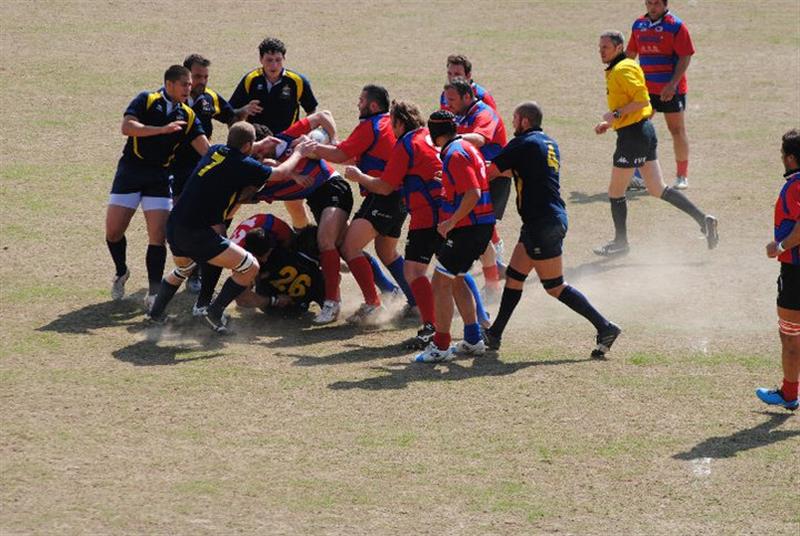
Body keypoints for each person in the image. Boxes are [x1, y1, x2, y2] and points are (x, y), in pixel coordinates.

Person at [344, 100, 491, 345]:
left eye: (392, 122)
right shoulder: (427, 136)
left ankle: (431, 328)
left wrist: (359, 177)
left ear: (399, 123)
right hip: (445, 211)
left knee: (415, 271)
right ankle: (480, 320)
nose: (390, 128)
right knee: (454, 269)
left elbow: (385, 186)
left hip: (427, 216)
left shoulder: (406, 144)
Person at [483, 102, 621, 357]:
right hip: (544, 220)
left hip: (542, 223)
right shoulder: (549, 143)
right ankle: (495, 334)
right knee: (514, 277)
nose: (512, 123)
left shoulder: (522, 144)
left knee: (554, 286)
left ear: (524, 121)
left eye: (514, 119)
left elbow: (489, 172)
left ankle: (605, 326)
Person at [145, 122, 312, 333]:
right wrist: (298, 152)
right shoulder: (243, 165)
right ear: (247, 146)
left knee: (185, 268)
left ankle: (156, 314)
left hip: (175, 226)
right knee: (250, 267)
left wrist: (259, 144)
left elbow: (240, 149)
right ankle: (213, 312)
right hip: (196, 232)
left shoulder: (216, 150)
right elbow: (279, 173)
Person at [593, 31, 718, 257]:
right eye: (600, 47)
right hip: (641, 132)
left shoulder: (622, 69)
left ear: (619, 47)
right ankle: (704, 220)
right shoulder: (621, 67)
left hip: (633, 137)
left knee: (615, 191)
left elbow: (642, 99)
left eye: (606, 47)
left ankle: (621, 243)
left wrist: (615, 114)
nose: (601, 51)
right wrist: (610, 123)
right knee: (657, 188)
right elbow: (637, 106)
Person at [105, 65, 209, 308]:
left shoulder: (188, 115)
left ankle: (153, 294)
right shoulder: (147, 99)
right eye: (184, 84)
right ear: (170, 83)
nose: (188, 89)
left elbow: (205, 149)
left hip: (160, 177)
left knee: (157, 236)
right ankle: (121, 272)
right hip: (130, 172)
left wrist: (229, 162)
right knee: (113, 232)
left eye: (190, 85)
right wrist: (162, 130)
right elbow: (127, 127)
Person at [312, 85, 417, 325]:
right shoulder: (385, 124)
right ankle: (415, 300)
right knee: (387, 252)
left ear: (372, 105)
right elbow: (352, 154)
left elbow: (341, 155)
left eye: (360, 100)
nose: (357, 104)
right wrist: (330, 150)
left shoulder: (370, 126)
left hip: (383, 196)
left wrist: (313, 149)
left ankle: (372, 304)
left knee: (348, 247)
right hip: (400, 198)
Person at [248, 112, 355, 325]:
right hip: (315, 198)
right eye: (254, 153)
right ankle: (386, 291)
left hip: (332, 186)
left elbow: (324, 116)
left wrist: (332, 140)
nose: (257, 156)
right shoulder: (262, 171)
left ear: (270, 141)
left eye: (259, 150)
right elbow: (270, 170)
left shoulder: (288, 139)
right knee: (345, 246)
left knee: (328, 242)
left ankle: (332, 303)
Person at [170, 53, 260, 294]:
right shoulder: (173, 101)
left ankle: (197, 273)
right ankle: (185, 269)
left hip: (204, 169)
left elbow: (231, 117)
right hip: (177, 170)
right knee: (182, 220)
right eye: (197, 76)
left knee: (210, 221)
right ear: (185, 76)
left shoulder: (210, 98)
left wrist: (244, 113)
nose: (202, 81)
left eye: (205, 77)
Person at [412, 110, 495, 363]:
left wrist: (451, 221)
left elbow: (473, 193)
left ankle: (441, 345)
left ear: (435, 133)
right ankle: (472, 339)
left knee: (439, 283)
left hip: (468, 228)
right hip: (479, 226)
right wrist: (447, 181)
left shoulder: (455, 154)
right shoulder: (464, 147)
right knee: (457, 279)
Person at [229, 36, 319, 231]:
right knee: (238, 195)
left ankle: (303, 236)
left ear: (284, 59)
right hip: (257, 148)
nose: (274, 64)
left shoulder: (297, 81)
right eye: (269, 60)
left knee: (295, 202)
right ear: (261, 60)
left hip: (285, 145)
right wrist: (245, 109)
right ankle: (220, 233)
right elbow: (230, 112)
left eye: (278, 60)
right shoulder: (250, 80)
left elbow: (312, 111)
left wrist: (307, 135)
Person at [443, 78, 510, 302]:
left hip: (493, 178)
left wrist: (450, 139)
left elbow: (480, 139)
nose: (448, 104)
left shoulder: (484, 112)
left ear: (467, 97)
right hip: (474, 177)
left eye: (452, 100)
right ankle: (494, 276)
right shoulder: (459, 112)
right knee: (481, 232)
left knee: (480, 231)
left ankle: (494, 280)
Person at [627, 0, 695, 190]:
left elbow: (685, 56)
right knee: (638, 129)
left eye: (656, 3)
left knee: (677, 131)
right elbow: (631, 53)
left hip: (670, 90)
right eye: (649, 3)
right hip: (645, 90)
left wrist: (672, 84)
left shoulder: (676, 26)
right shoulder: (638, 25)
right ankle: (638, 176)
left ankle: (682, 176)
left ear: (665, 4)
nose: (652, 7)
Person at [756, 129, 800, 411]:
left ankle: (789, 393)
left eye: (783, 155)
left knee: (791, 336)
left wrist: (781, 245)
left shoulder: (796, 185)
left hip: (796, 271)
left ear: (792, 158)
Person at [231, 217, 325, 316]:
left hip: (269, 299)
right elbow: (242, 300)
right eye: (261, 257)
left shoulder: (279, 232)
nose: (265, 260)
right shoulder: (237, 258)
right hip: (297, 305)